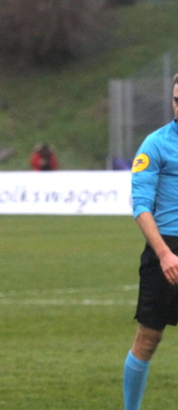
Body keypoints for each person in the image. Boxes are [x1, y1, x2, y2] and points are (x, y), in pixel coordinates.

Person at [123, 73, 178, 410]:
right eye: (176, 100)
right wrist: (164, 254)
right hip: (166, 249)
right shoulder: (156, 143)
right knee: (148, 339)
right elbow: (141, 205)